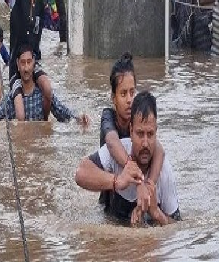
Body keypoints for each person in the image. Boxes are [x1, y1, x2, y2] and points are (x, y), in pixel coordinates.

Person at [75, 91, 180, 225]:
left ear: (156, 132)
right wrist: (117, 182)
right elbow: (80, 173)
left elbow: (178, 229)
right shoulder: (118, 152)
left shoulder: (164, 172)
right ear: (130, 131)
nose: (145, 143)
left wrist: (156, 213)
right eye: (140, 134)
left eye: (150, 134)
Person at [96, 53, 165, 216]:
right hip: (111, 193)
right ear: (113, 98)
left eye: (132, 92)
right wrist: (134, 171)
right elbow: (112, 142)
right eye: (123, 93)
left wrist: (149, 184)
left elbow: (159, 151)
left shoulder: (139, 121)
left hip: (137, 189)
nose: (129, 100)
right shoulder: (108, 117)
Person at [0, 0, 56, 112]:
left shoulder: (40, 4)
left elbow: (55, 22)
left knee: (47, 89)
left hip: (33, 64)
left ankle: (44, 126)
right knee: (20, 113)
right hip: (17, 65)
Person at [0, 44, 88, 125]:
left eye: (29, 62)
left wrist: (79, 118)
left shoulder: (42, 93)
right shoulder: (11, 98)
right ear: (17, 64)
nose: (26, 68)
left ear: (34, 63)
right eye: (23, 63)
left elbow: (63, 113)